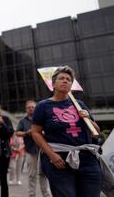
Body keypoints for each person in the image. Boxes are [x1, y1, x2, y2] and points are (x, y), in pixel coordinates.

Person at [31, 66, 103, 197]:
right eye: (61, 78)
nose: (65, 81)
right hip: (59, 160)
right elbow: (35, 132)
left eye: (68, 79)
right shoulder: (43, 106)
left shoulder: (79, 104)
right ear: (53, 84)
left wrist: (88, 119)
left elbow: (96, 131)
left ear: (71, 85)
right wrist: (51, 155)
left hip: (87, 159)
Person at [16, 100, 51, 197]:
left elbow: (48, 131)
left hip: (43, 150)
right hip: (30, 151)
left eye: (33, 107)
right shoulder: (23, 121)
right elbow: (17, 133)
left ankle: (46, 194)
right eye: (29, 107)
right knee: (32, 175)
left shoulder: (41, 119)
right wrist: (27, 133)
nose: (31, 109)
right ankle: (32, 195)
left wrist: (41, 133)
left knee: (43, 174)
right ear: (26, 109)